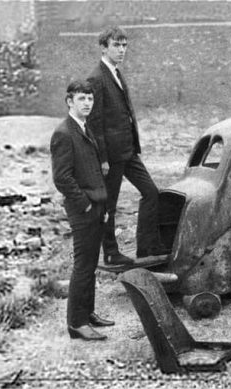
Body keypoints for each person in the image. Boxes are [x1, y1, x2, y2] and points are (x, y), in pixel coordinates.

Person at [87, 26, 167, 265]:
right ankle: (111, 254)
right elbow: (95, 122)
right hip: (111, 155)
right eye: (116, 45)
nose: (121, 50)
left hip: (128, 151)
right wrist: (101, 159)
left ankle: (146, 248)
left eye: (124, 45)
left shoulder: (116, 73)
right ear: (104, 47)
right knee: (109, 205)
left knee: (151, 192)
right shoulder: (96, 77)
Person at [51, 80, 114, 341]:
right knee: (83, 266)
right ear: (69, 101)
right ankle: (77, 323)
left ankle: (87, 313)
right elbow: (62, 178)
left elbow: (96, 172)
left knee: (89, 264)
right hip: (83, 209)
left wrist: (104, 205)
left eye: (89, 98)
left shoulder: (84, 128)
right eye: (81, 99)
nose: (87, 103)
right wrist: (86, 204)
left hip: (96, 205)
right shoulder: (64, 133)